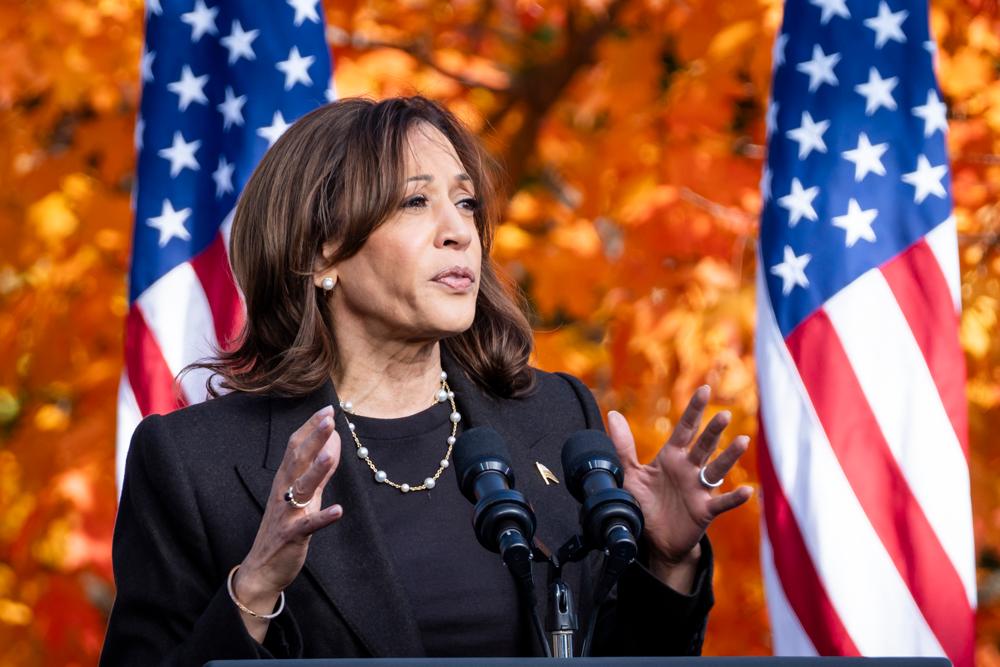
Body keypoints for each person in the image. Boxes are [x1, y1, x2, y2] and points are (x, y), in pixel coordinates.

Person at [100, 96, 753, 665]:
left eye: (465, 201)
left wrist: (665, 562)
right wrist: (253, 592)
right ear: (322, 251)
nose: (458, 232)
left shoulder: (557, 421)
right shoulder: (197, 463)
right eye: (416, 201)